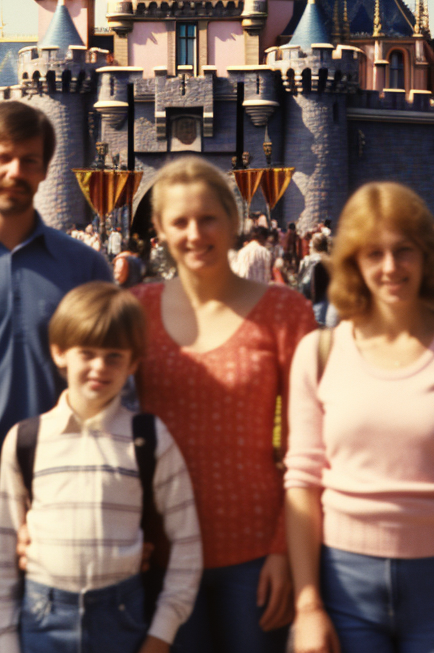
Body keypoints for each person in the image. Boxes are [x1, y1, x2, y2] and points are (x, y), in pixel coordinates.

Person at [285, 181, 434, 653]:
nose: (391, 267)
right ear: (352, 262)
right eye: (374, 254)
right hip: (342, 584)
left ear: (427, 254)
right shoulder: (319, 353)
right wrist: (307, 605)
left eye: (404, 250)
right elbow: (302, 481)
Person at [133, 156, 317, 653]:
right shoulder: (136, 311)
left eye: (208, 218)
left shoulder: (285, 311)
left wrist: (285, 552)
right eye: (180, 221)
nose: (196, 233)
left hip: (254, 555)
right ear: (159, 230)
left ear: (234, 221)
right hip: (162, 552)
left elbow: (308, 444)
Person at [0, 281, 202, 653]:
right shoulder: (26, 440)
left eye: (114, 356)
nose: (99, 367)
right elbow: (4, 550)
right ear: (59, 353)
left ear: (133, 362)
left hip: (122, 620)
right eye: (86, 353)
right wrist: (7, 640)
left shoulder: (148, 438)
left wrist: (161, 633)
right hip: (43, 620)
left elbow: (187, 542)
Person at [0, 101, 113, 518]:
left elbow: (117, 376)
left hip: (59, 479)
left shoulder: (84, 266)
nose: (16, 171)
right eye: (3, 158)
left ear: (45, 170)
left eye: (30, 160)